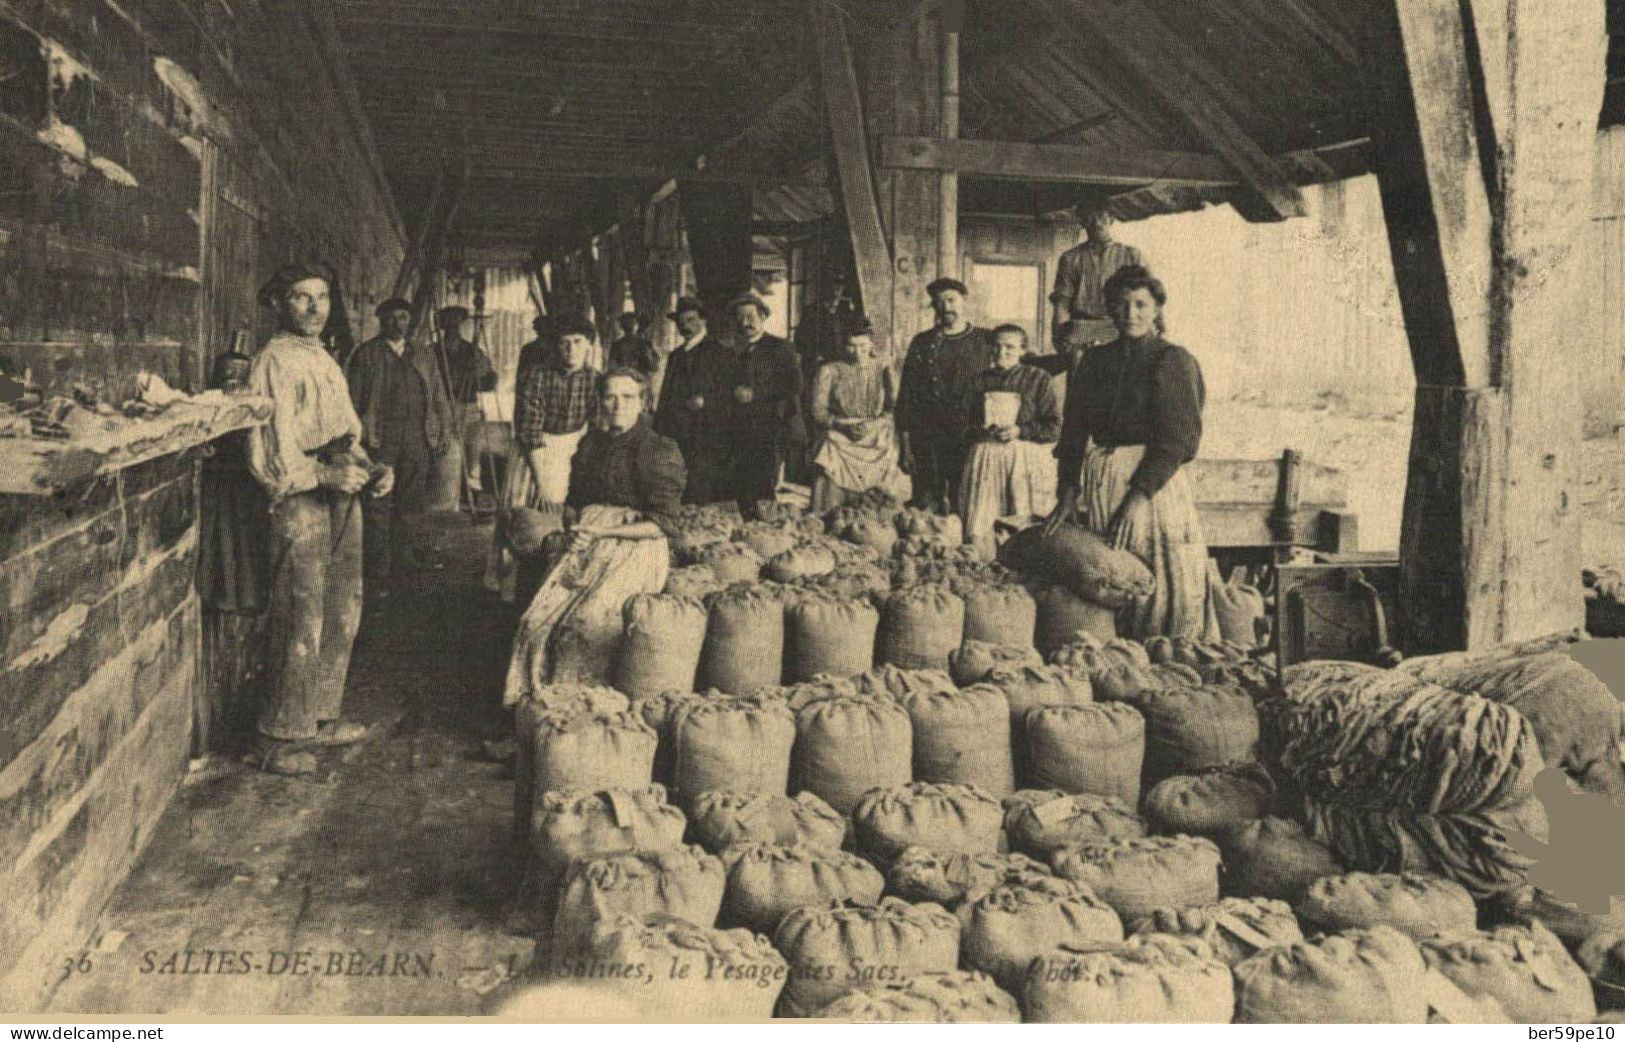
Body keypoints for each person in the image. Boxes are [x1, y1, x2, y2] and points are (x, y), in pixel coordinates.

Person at [245, 262, 393, 775]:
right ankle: (277, 736)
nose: (314, 308)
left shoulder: (324, 358)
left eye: (323, 297)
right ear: (279, 304)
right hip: (301, 496)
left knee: (342, 606)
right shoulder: (272, 361)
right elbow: (272, 454)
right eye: (302, 298)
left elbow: (344, 432)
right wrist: (327, 478)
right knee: (300, 612)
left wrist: (371, 468)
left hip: (340, 491)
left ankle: (319, 718)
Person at [1043, 265, 1219, 640]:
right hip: (1103, 481)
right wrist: (1068, 493)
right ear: (1109, 310)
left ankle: (1167, 653)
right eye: (1120, 305)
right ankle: (1117, 659)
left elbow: (1178, 440)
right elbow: (1073, 432)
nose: (1130, 314)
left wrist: (1139, 497)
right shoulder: (1093, 361)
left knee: (1158, 579)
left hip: (1153, 485)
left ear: (1156, 309)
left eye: (1140, 304)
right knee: (1108, 576)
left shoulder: (1172, 360)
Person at [503, 368, 686, 704]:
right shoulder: (590, 444)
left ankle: (582, 712)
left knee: (586, 625)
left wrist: (604, 530)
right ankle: (537, 714)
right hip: (587, 542)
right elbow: (573, 503)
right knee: (536, 621)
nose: (618, 404)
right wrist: (574, 529)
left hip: (636, 549)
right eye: (610, 396)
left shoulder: (658, 448)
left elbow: (663, 523)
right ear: (600, 401)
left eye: (628, 397)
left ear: (643, 402)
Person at [347, 296, 457, 603]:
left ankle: (405, 571)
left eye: (404, 318)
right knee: (378, 509)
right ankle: (377, 577)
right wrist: (357, 440)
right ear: (381, 321)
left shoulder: (422, 355)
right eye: (393, 318)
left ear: (410, 322)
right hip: (381, 440)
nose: (399, 323)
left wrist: (441, 431)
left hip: (416, 440)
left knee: (411, 507)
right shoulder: (367, 354)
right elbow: (353, 403)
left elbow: (437, 397)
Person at [957, 324, 1061, 559]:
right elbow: (962, 427)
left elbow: (1053, 427)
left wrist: (1020, 430)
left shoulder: (1038, 379)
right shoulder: (977, 382)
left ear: (1023, 350)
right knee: (983, 521)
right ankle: (985, 565)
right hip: (985, 459)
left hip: (1024, 460)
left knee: (1022, 518)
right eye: (996, 346)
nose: (1002, 352)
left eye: (1010, 347)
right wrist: (982, 431)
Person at [895, 277, 996, 514]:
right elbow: (907, 397)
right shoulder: (922, 343)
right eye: (938, 302)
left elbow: (1015, 367)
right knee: (924, 508)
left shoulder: (986, 340)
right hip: (928, 438)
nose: (945, 307)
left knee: (966, 503)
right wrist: (905, 445)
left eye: (951, 300)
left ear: (964, 302)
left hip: (970, 435)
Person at [1031, 199, 1148, 377]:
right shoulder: (1071, 258)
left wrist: (1159, 327)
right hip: (1081, 330)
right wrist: (1059, 336)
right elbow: (1062, 301)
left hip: (1119, 328)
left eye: (1101, 217)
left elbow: (1148, 295)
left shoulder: (1131, 255)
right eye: (1090, 218)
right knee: (1082, 388)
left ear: (1111, 220)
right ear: (1083, 223)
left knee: (1123, 386)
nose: (1097, 223)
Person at [807, 319, 905, 512]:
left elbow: (895, 406)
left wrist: (877, 423)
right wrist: (841, 425)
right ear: (843, 345)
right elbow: (817, 410)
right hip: (840, 433)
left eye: (862, 346)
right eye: (851, 346)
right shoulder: (829, 370)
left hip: (875, 432)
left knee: (878, 502)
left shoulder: (883, 368)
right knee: (828, 457)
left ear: (871, 345)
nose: (857, 352)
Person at [653, 296, 737, 505]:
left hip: (708, 430)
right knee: (676, 478)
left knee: (703, 483)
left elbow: (729, 391)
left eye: (691, 320)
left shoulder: (720, 352)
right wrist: (659, 428)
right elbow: (666, 394)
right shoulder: (675, 356)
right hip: (677, 429)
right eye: (681, 322)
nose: (685, 326)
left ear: (703, 321)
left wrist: (706, 402)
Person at [728, 291, 803, 518]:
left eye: (751, 316)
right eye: (740, 317)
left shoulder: (780, 348)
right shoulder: (730, 351)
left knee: (764, 483)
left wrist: (756, 393)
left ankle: (769, 531)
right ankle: (747, 531)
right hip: (737, 428)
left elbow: (795, 385)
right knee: (740, 483)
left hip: (770, 425)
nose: (745, 322)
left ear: (763, 317)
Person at [514, 316, 600, 507]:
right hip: (537, 450)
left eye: (578, 342)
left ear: (589, 345)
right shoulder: (537, 376)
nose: (571, 350)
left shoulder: (596, 380)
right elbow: (529, 430)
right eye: (565, 343)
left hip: (575, 447)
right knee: (533, 509)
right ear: (556, 346)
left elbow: (597, 430)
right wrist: (541, 478)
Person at [435, 305, 498, 499]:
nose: (452, 329)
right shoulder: (434, 352)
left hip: (468, 407)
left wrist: (476, 376)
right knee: (448, 453)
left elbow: (489, 382)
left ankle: (472, 490)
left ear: (460, 326)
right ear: (442, 327)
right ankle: (447, 496)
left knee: (472, 450)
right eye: (448, 325)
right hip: (442, 408)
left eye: (456, 325)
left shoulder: (472, 351)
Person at [607, 312, 659, 379]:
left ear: (637, 325)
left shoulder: (645, 345)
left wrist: (647, 355)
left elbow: (654, 367)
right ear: (622, 326)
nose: (629, 326)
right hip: (621, 380)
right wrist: (628, 372)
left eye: (632, 323)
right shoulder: (616, 346)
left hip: (640, 382)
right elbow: (612, 367)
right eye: (626, 323)